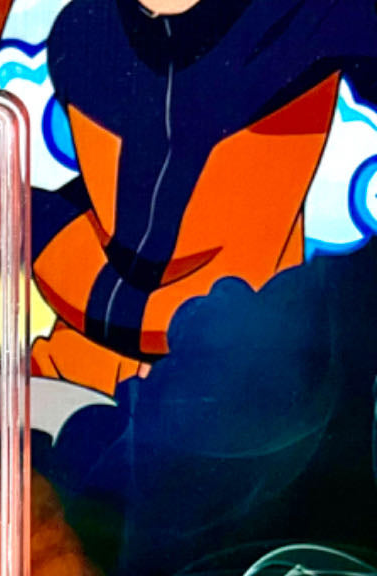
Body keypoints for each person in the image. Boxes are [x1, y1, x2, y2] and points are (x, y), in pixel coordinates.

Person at [31, 0, 377, 397]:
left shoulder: (313, 20)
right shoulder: (82, 33)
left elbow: (219, 297)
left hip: (243, 378)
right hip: (75, 370)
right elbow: (107, 210)